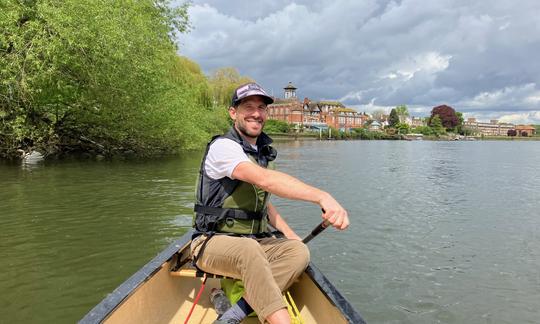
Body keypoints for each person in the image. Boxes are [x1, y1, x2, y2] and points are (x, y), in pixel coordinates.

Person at [191, 82, 349, 324]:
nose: (256, 113)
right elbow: (266, 180)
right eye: (248, 106)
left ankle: (233, 315)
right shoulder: (224, 147)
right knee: (249, 250)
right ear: (233, 112)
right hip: (209, 243)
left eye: (261, 107)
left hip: (251, 242)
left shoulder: (261, 153)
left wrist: (290, 235)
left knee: (298, 251)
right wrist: (322, 196)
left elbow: (264, 205)